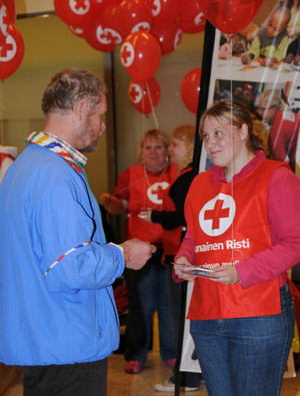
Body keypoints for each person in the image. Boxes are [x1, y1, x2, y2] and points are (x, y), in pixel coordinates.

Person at [0, 68, 156, 396]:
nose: (102, 125)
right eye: (100, 114)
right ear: (82, 109)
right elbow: (70, 265)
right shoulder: (53, 173)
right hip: (66, 344)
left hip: (42, 340)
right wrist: (123, 254)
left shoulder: (24, 168)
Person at [173, 99, 300, 396]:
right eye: (205, 135)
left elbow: (295, 243)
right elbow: (194, 237)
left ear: (243, 131)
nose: (210, 143)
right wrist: (184, 257)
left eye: (218, 133)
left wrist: (241, 271)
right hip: (207, 316)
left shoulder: (277, 176)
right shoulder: (199, 184)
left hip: (259, 315)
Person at [100, 129, 177, 374]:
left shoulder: (179, 174)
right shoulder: (131, 175)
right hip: (138, 252)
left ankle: (172, 354)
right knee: (139, 305)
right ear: (141, 152)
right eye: (148, 147)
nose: (153, 152)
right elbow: (118, 206)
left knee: (168, 305)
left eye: (159, 147)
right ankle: (137, 355)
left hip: (170, 249)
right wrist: (108, 202)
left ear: (167, 151)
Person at [141, 125, 202, 392]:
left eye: (175, 143)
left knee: (181, 319)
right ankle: (189, 375)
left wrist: (156, 217)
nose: (170, 149)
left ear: (189, 147)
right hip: (178, 255)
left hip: (183, 258)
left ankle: (185, 378)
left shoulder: (189, 178)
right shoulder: (189, 176)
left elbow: (186, 218)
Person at [256, 88, 300, 171]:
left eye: (263, 109)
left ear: (275, 107)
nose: (259, 112)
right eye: (259, 108)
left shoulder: (277, 128)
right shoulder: (283, 115)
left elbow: (280, 163)